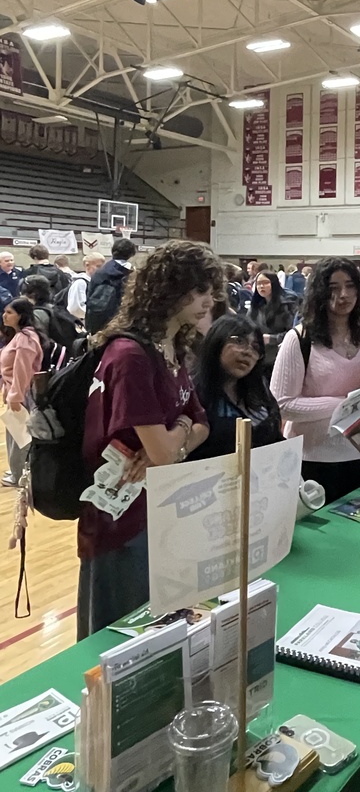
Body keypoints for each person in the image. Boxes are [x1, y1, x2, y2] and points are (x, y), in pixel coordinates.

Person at [77, 240, 220, 638]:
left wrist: (179, 436)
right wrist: (178, 437)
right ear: (167, 289)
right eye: (199, 290)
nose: (209, 301)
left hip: (161, 510)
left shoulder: (171, 347)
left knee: (158, 634)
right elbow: (160, 450)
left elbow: (201, 424)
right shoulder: (131, 355)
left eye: (210, 290)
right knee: (115, 640)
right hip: (117, 522)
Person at [270, 256, 360, 504]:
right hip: (313, 460)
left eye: (349, 286)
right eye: (333, 288)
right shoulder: (299, 339)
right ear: (319, 293)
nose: (343, 295)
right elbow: (282, 404)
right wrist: (347, 405)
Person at [192, 315, 282, 459]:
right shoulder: (193, 393)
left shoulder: (259, 389)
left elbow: (276, 439)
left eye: (255, 347)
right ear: (217, 342)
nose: (248, 352)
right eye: (239, 341)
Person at [1, 298, 45, 487]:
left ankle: (20, 475)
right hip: (16, 391)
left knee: (20, 437)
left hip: (23, 394)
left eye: (9, 312)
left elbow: (23, 370)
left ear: (21, 316)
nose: (4, 315)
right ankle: (18, 471)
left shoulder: (26, 339)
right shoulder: (19, 336)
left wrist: (15, 396)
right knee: (14, 434)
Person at [249, 271, 298, 377]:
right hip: (260, 356)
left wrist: (272, 338)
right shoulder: (256, 305)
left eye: (265, 282)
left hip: (280, 355)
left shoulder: (287, 304)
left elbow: (294, 332)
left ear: (274, 283)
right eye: (258, 283)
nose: (261, 286)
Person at [85, 237, 137, 334]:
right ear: (131, 254)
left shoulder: (99, 273)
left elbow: (89, 296)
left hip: (95, 324)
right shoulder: (131, 275)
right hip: (120, 325)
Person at [66, 253, 106, 321]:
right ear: (87, 265)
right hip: (80, 324)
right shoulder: (80, 283)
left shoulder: (97, 283)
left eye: (103, 267)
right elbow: (75, 309)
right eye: (98, 266)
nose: (102, 270)